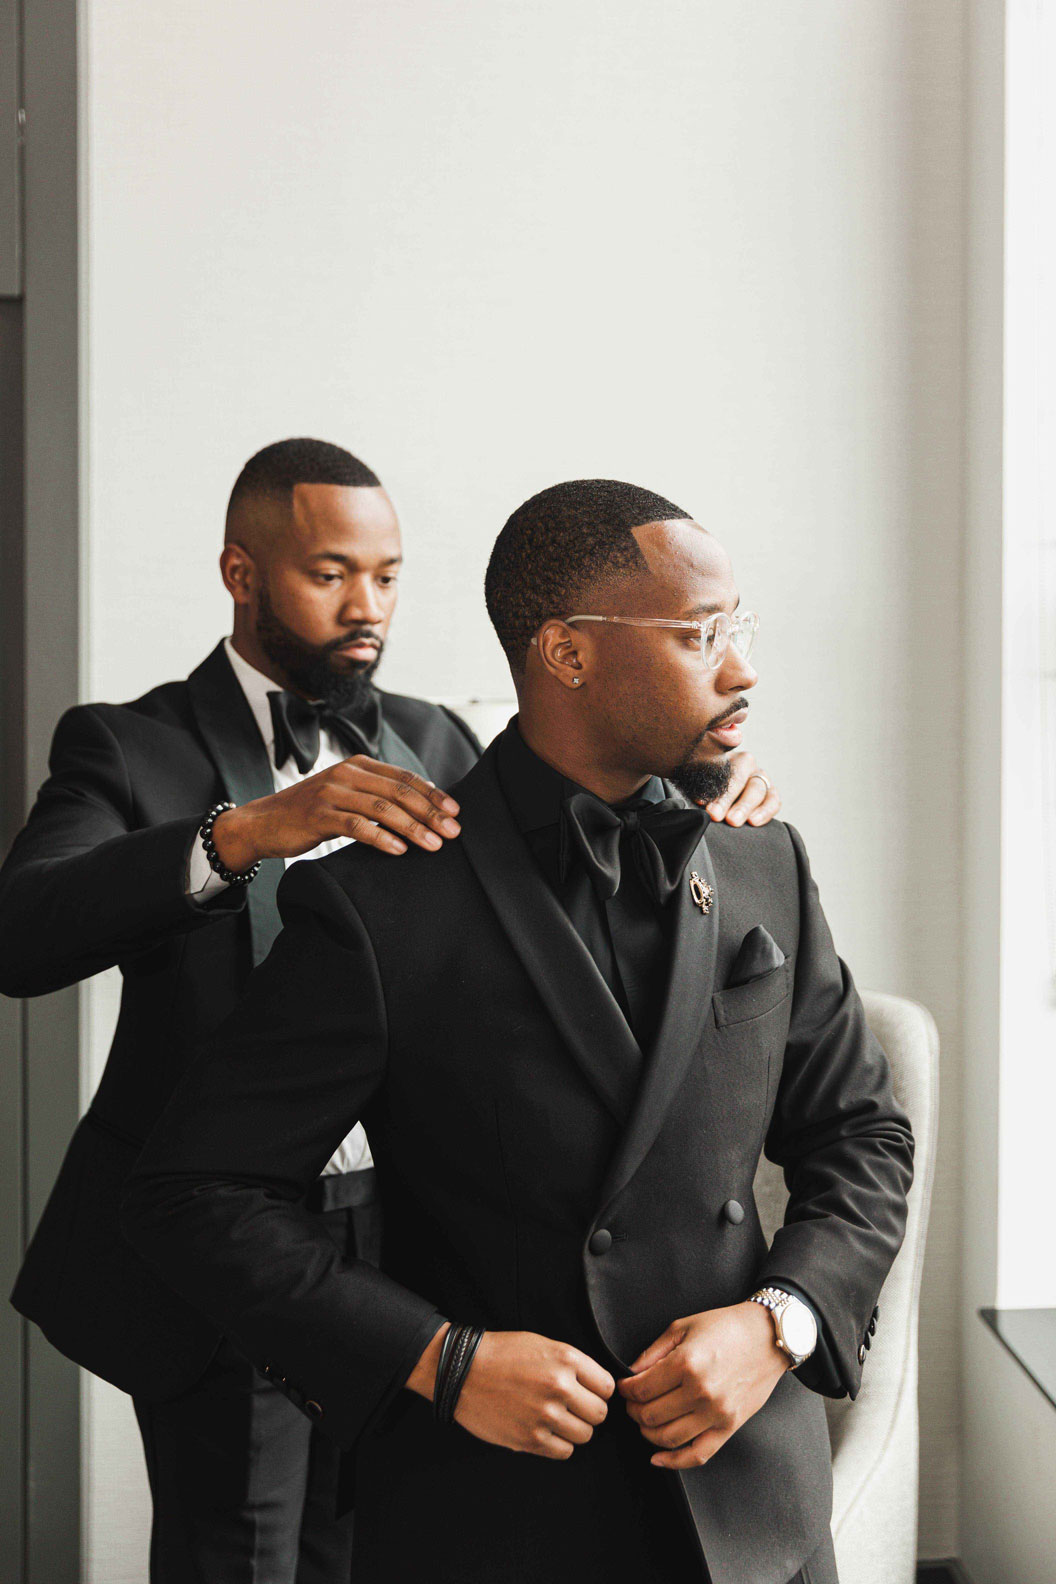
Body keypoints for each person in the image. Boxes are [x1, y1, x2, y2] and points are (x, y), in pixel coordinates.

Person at [1, 451, 781, 1584]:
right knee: (241, 1558)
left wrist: (722, 791)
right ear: (242, 572)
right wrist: (244, 833)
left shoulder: (447, 741)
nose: (367, 606)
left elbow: (601, 837)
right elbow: (22, 933)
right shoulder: (129, 743)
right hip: (232, 1241)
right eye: (331, 573)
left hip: (418, 1264)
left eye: (388, 576)